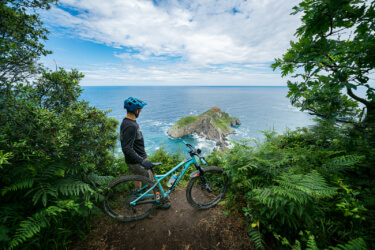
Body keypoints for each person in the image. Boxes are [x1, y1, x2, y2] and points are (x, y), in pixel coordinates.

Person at [120, 97, 170, 209]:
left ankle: (137, 194)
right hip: (138, 160)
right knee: (152, 182)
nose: (140, 112)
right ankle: (158, 202)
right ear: (136, 111)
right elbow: (127, 148)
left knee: (138, 176)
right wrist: (142, 161)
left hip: (133, 160)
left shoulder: (126, 122)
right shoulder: (131, 126)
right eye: (140, 110)